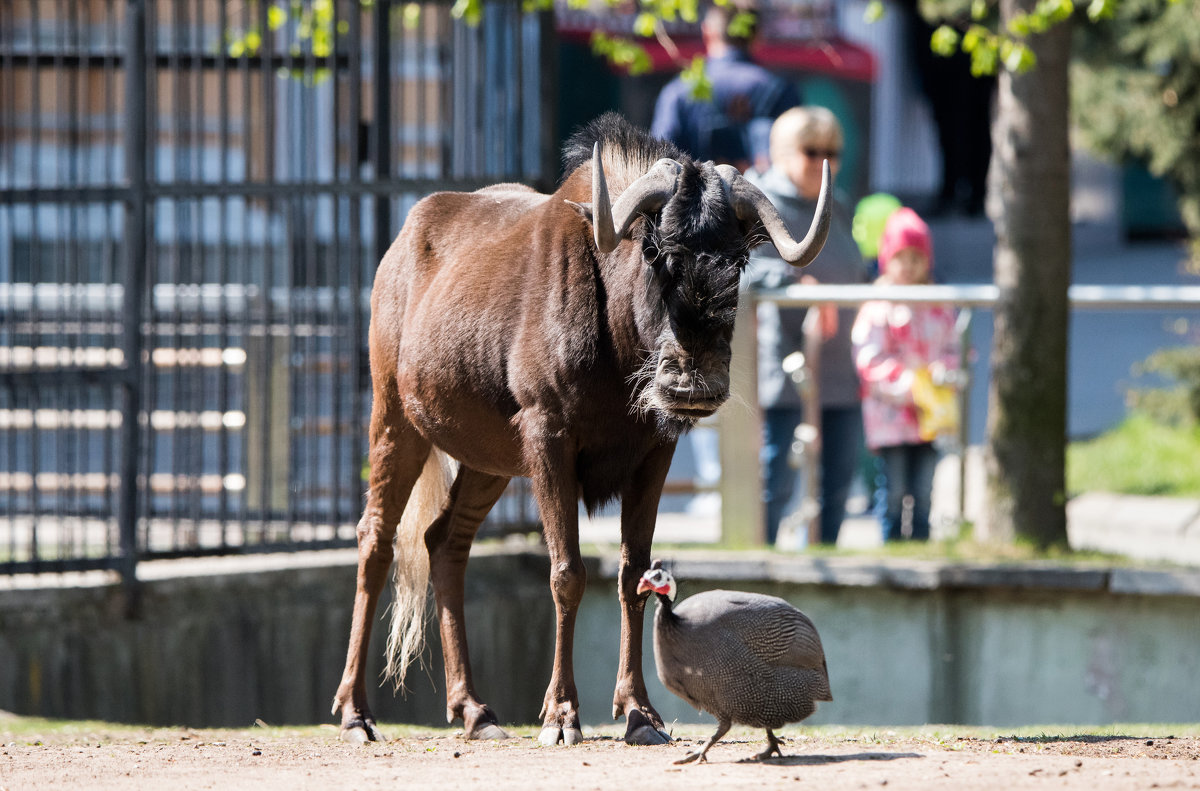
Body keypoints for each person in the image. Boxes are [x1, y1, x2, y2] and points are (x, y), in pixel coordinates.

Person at [746, 106, 869, 546]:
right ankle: (760, 563)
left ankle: (827, 562)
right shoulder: (760, 202)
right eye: (811, 150)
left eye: (832, 151)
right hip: (786, 367)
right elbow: (744, 270)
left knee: (838, 480)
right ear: (782, 152)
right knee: (775, 479)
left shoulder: (840, 206)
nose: (824, 162)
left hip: (839, 368)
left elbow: (857, 268)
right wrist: (797, 280)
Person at [851, 208, 961, 541]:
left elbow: (955, 347)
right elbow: (868, 358)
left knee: (925, 489)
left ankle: (922, 542)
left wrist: (944, 373)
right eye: (902, 256)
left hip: (930, 417)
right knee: (895, 489)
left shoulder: (939, 305)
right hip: (891, 417)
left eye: (917, 256)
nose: (910, 264)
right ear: (888, 259)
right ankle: (892, 541)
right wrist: (909, 385)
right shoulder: (878, 305)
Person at [650, 1, 799, 173]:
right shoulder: (779, 89)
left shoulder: (677, 91)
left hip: (693, 197)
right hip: (762, 198)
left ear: (707, 32)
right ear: (757, 36)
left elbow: (660, 164)